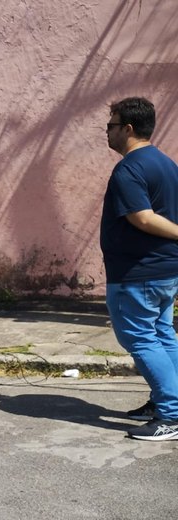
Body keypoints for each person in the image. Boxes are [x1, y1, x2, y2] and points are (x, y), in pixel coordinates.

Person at [101, 97, 178, 441]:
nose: (107, 132)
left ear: (128, 129)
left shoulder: (129, 169)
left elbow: (143, 218)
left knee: (141, 339)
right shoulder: (166, 163)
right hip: (163, 270)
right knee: (162, 336)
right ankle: (164, 401)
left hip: (139, 273)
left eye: (111, 126)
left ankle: (172, 415)